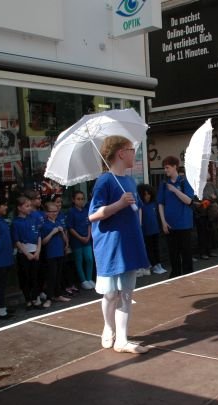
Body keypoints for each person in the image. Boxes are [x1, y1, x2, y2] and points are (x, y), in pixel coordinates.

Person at [89, 135, 149, 354]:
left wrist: (137, 228)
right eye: (131, 149)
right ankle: (108, 326)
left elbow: (138, 208)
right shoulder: (104, 181)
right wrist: (119, 203)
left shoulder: (130, 180)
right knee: (110, 294)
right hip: (110, 246)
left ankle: (121, 339)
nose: (134, 153)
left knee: (126, 293)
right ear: (121, 153)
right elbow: (93, 215)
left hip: (129, 244)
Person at [157, 156, 195, 278]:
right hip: (170, 225)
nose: (165, 170)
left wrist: (175, 190)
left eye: (167, 167)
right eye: (164, 167)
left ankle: (188, 276)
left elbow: (189, 201)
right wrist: (163, 222)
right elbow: (160, 204)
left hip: (184, 225)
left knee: (186, 254)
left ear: (175, 167)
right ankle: (176, 275)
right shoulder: (163, 184)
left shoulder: (185, 182)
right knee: (173, 254)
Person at [11, 195, 43, 310]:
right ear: (19, 208)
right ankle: (28, 300)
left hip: (35, 250)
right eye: (27, 206)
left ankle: (36, 298)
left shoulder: (33, 218)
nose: (29, 208)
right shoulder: (16, 223)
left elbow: (39, 235)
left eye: (30, 206)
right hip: (24, 253)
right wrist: (27, 253)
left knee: (36, 276)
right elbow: (17, 240)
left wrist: (38, 250)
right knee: (25, 277)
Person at [40, 201, 71, 308]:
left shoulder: (58, 222)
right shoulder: (44, 225)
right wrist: (53, 232)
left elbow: (65, 239)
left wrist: (62, 233)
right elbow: (43, 241)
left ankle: (58, 294)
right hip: (50, 254)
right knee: (51, 276)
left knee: (58, 275)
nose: (54, 213)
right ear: (46, 213)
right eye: (52, 211)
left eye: (56, 211)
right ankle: (49, 297)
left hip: (60, 252)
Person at [67, 190, 95, 289]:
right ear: (73, 200)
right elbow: (70, 228)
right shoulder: (71, 212)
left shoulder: (86, 210)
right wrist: (80, 237)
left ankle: (89, 278)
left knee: (89, 259)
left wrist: (88, 236)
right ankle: (83, 281)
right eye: (78, 199)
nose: (81, 201)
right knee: (79, 260)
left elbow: (89, 224)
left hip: (87, 238)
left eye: (82, 199)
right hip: (76, 240)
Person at [137, 184, 166, 275]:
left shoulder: (154, 204)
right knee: (149, 248)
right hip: (146, 231)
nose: (147, 196)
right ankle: (153, 265)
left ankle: (158, 264)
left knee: (156, 248)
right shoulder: (141, 205)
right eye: (145, 194)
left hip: (155, 230)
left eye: (148, 194)